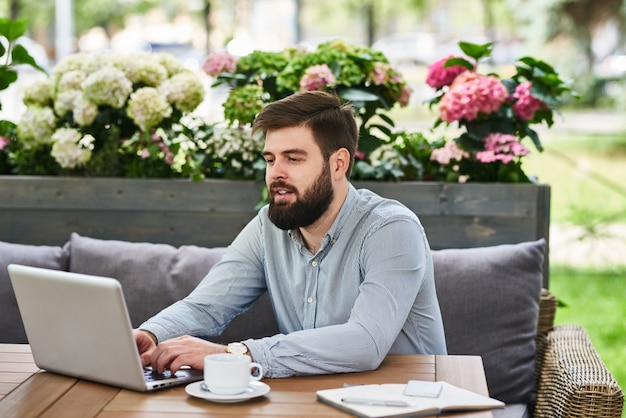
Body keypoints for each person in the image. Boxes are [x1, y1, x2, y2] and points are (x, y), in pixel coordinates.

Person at [134, 90, 447, 378]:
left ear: (338, 163)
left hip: (408, 402)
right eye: (270, 159)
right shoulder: (268, 225)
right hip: (316, 401)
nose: (276, 173)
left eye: (293, 158)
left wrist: (237, 354)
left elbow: (366, 341)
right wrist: (151, 335)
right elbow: (207, 305)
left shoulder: (391, 229)